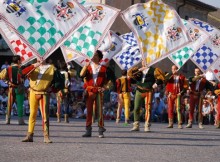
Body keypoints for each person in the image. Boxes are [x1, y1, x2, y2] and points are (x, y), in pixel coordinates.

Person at [21, 58, 61, 143]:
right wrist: (33, 66)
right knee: (32, 114)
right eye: (38, 56)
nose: (40, 58)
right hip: (32, 92)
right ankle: (29, 135)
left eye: (42, 56)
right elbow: (22, 73)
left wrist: (52, 89)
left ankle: (46, 136)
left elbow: (60, 81)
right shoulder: (33, 67)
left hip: (44, 93)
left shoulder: (52, 68)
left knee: (45, 116)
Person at [128, 60, 165, 132]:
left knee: (148, 108)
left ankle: (147, 125)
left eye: (145, 61)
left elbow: (161, 78)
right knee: (136, 108)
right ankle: (136, 125)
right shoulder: (138, 70)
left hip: (148, 91)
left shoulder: (154, 70)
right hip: (139, 90)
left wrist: (156, 84)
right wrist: (139, 70)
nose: (144, 62)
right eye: (142, 61)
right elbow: (130, 75)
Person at [80, 50, 110, 138]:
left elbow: (109, 81)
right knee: (89, 111)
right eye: (93, 55)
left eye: (96, 55)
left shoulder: (104, 68)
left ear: (100, 57)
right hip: (90, 91)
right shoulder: (88, 67)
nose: (94, 57)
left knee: (99, 111)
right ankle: (88, 130)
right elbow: (81, 75)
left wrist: (104, 88)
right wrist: (86, 65)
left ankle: (101, 130)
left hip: (99, 92)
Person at [0, 55, 26, 125]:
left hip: (11, 88)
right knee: (20, 105)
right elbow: (25, 78)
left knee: (9, 104)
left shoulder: (8, 68)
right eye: (20, 60)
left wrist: (7, 82)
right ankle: (21, 121)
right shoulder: (22, 69)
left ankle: (7, 120)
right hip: (20, 88)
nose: (21, 61)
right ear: (18, 61)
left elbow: (1, 77)